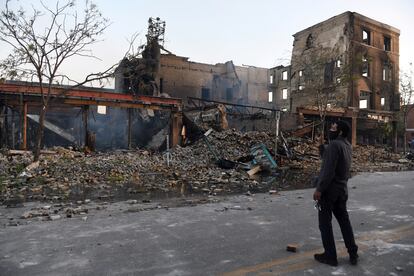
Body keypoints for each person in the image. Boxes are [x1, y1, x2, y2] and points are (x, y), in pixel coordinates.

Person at [313, 121, 358, 266]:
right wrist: (321, 146)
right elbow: (329, 158)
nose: (330, 129)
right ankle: (353, 253)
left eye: (333, 128)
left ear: (339, 132)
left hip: (330, 191)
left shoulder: (334, 145)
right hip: (342, 190)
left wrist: (319, 189)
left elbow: (328, 170)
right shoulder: (346, 145)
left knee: (324, 224)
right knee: (344, 222)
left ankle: (330, 256)